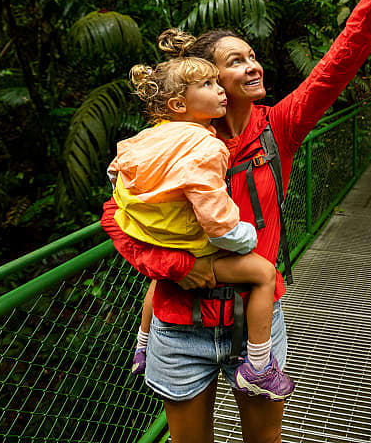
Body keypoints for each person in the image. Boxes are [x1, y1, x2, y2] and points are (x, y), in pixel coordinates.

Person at [101, 0, 371, 443]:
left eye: (251, 55)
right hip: (180, 321)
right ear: (205, 83)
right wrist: (181, 265)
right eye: (236, 62)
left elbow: (334, 67)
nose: (253, 65)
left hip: (254, 323)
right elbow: (116, 217)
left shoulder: (280, 127)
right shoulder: (166, 141)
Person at [112, 50, 294, 399]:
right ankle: (258, 367)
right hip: (194, 242)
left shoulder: (151, 135)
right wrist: (244, 237)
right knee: (264, 273)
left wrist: (147, 209)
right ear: (180, 104)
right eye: (209, 84)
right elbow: (217, 221)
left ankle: (142, 346)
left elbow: (116, 171)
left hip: (151, 233)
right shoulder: (205, 145)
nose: (220, 89)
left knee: (155, 281)